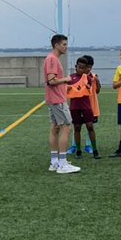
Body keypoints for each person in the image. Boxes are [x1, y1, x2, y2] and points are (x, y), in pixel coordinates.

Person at [45, 34, 79, 173]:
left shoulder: (51, 59)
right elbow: (51, 80)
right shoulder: (52, 59)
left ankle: (54, 162)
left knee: (55, 128)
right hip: (57, 100)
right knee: (66, 127)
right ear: (56, 45)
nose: (66, 47)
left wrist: (65, 85)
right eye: (64, 44)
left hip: (53, 98)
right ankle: (63, 163)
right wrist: (66, 79)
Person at [68, 54, 100, 159]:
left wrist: (89, 86)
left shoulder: (88, 78)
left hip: (86, 105)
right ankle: (78, 150)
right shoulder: (70, 77)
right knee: (77, 127)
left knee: (90, 126)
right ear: (75, 66)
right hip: (74, 106)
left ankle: (94, 150)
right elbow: (64, 88)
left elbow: (94, 90)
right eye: (79, 67)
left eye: (83, 68)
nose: (81, 70)